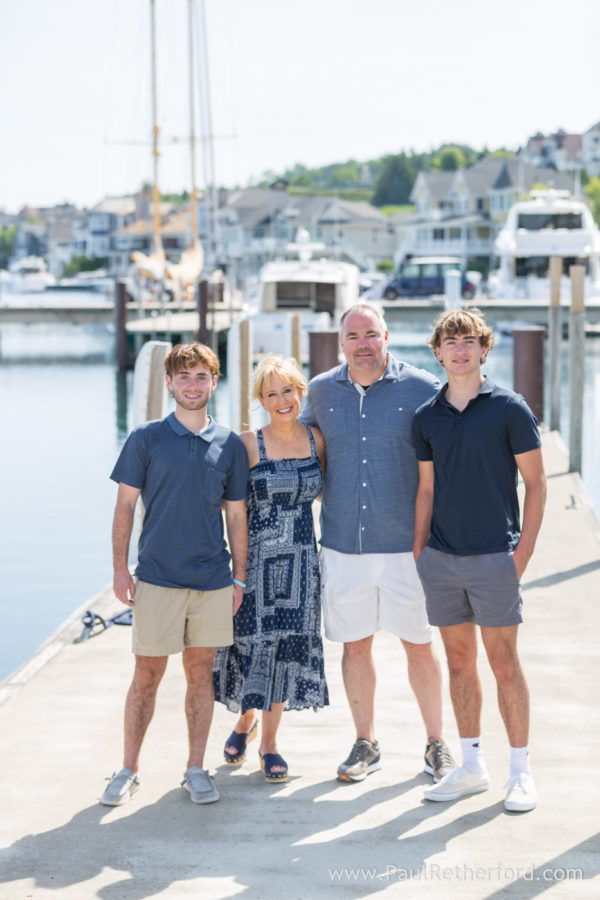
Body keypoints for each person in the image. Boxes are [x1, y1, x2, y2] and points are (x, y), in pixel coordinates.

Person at [300, 302, 456, 783]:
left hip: (406, 548)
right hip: (343, 545)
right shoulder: (322, 391)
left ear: (386, 336)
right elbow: (301, 447)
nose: (363, 345)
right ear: (340, 342)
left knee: (419, 645)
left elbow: (449, 463)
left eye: (371, 335)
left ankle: (437, 744)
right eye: (353, 337)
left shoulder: (425, 389)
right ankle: (365, 743)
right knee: (355, 647)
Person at [100, 343, 249, 807]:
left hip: (211, 581)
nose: (191, 384)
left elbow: (237, 516)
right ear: (169, 383)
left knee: (199, 674)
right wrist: (120, 568)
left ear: (213, 382)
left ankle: (196, 768)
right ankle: (129, 769)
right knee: (146, 674)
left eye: (200, 376)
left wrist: (239, 579)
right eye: (183, 376)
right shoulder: (145, 438)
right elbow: (125, 506)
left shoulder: (229, 445)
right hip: (157, 578)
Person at [412, 309, 546, 812]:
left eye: (470, 341)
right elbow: (425, 488)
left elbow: (536, 483)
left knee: (504, 664)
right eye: (451, 342)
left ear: (484, 350)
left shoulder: (510, 408)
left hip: (496, 557)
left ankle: (521, 772)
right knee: (460, 663)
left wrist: (522, 553)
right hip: (441, 560)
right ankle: (471, 767)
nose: (461, 349)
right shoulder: (426, 418)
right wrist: (420, 551)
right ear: (438, 353)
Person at [213, 355, 328, 781]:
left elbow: (328, 493)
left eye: (288, 390)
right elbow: (235, 513)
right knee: (252, 647)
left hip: (301, 565)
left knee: (286, 651)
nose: (282, 400)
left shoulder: (317, 440)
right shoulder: (247, 444)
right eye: (271, 393)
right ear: (260, 400)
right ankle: (246, 720)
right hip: (257, 562)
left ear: (301, 392)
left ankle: (270, 744)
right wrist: (237, 576)